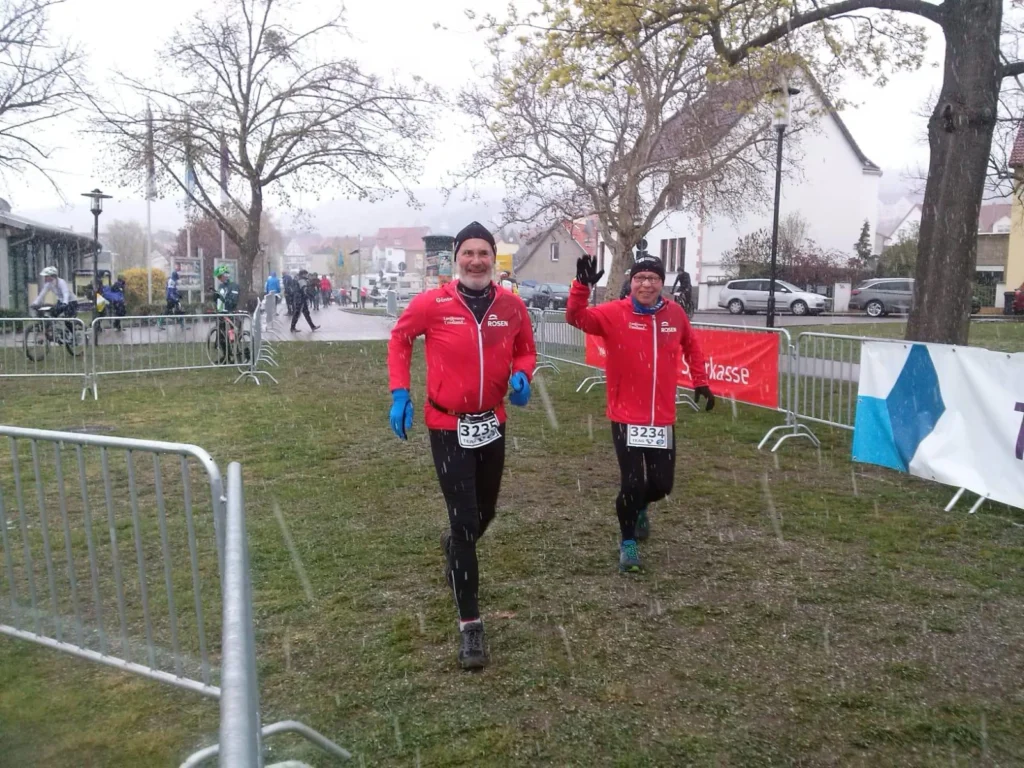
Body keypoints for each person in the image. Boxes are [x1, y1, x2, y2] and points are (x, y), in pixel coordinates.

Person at [387, 221, 536, 670]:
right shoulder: (433, 303)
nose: (476, 261)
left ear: (493, 258)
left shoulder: (511, 306)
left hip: (492, 423)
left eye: (483, 253)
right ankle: (470, 624)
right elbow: (400, 338)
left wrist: (524, 375)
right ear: (457, 258)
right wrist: (400, 392)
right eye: (468, 253)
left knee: (483, 514)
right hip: (447, 424)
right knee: (467, 522)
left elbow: (526, 348)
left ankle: (455, 544)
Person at [567, 253, 715, 574]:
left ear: (662, 283)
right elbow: (575, 318)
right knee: (631, 485)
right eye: (640, 278)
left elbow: (692, 346)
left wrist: (701, 381)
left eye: (653, 278)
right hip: (625, 417)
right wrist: (581, 286)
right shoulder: (613, 314)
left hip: (661, 418)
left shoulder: (674, 314)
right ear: (631, 282)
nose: (646, 284)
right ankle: (627, 540)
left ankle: (640, 507)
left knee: (662, 485)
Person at [31, 266, 77, 335]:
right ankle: (56, 331)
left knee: (66, 319)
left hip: (71, 302)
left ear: (52, 276)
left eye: (46, 276)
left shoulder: (61, 282)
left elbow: (65, 293)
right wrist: (35, 303)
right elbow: (42, 294)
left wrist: (65, 303)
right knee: (52, 314)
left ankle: (73, 335)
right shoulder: (48, 284)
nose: (45, 278)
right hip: (61, 301)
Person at [212, 265, 240, 361]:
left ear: (226, 275)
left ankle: (236, 354)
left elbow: (233, 301)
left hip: (230, 314)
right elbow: (219, 300)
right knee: (221, 337)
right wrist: (215, 297)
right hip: (221, 314)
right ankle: (226, 356)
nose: (219, 279)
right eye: (218, 277)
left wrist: (224, 299)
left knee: (231, 337)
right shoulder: (221, 286)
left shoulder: (234, 286)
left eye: (220, 276)